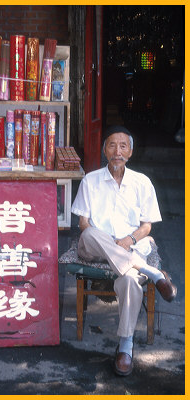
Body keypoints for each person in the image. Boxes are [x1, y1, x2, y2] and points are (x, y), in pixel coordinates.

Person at [71, 125, 177, 376]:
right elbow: (83, 224)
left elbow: (147, 226)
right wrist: (109, 241)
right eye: (111, 145)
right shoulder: (91, 180)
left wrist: (129, 239)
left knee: (129, 282)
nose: (117, 151)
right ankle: (152, 272)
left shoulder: (142, 182)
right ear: (104, 150)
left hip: (128, 248)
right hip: (95, 246)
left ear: (130, 152)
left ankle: (125, 346)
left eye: (123, 146)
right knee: (90, 233)